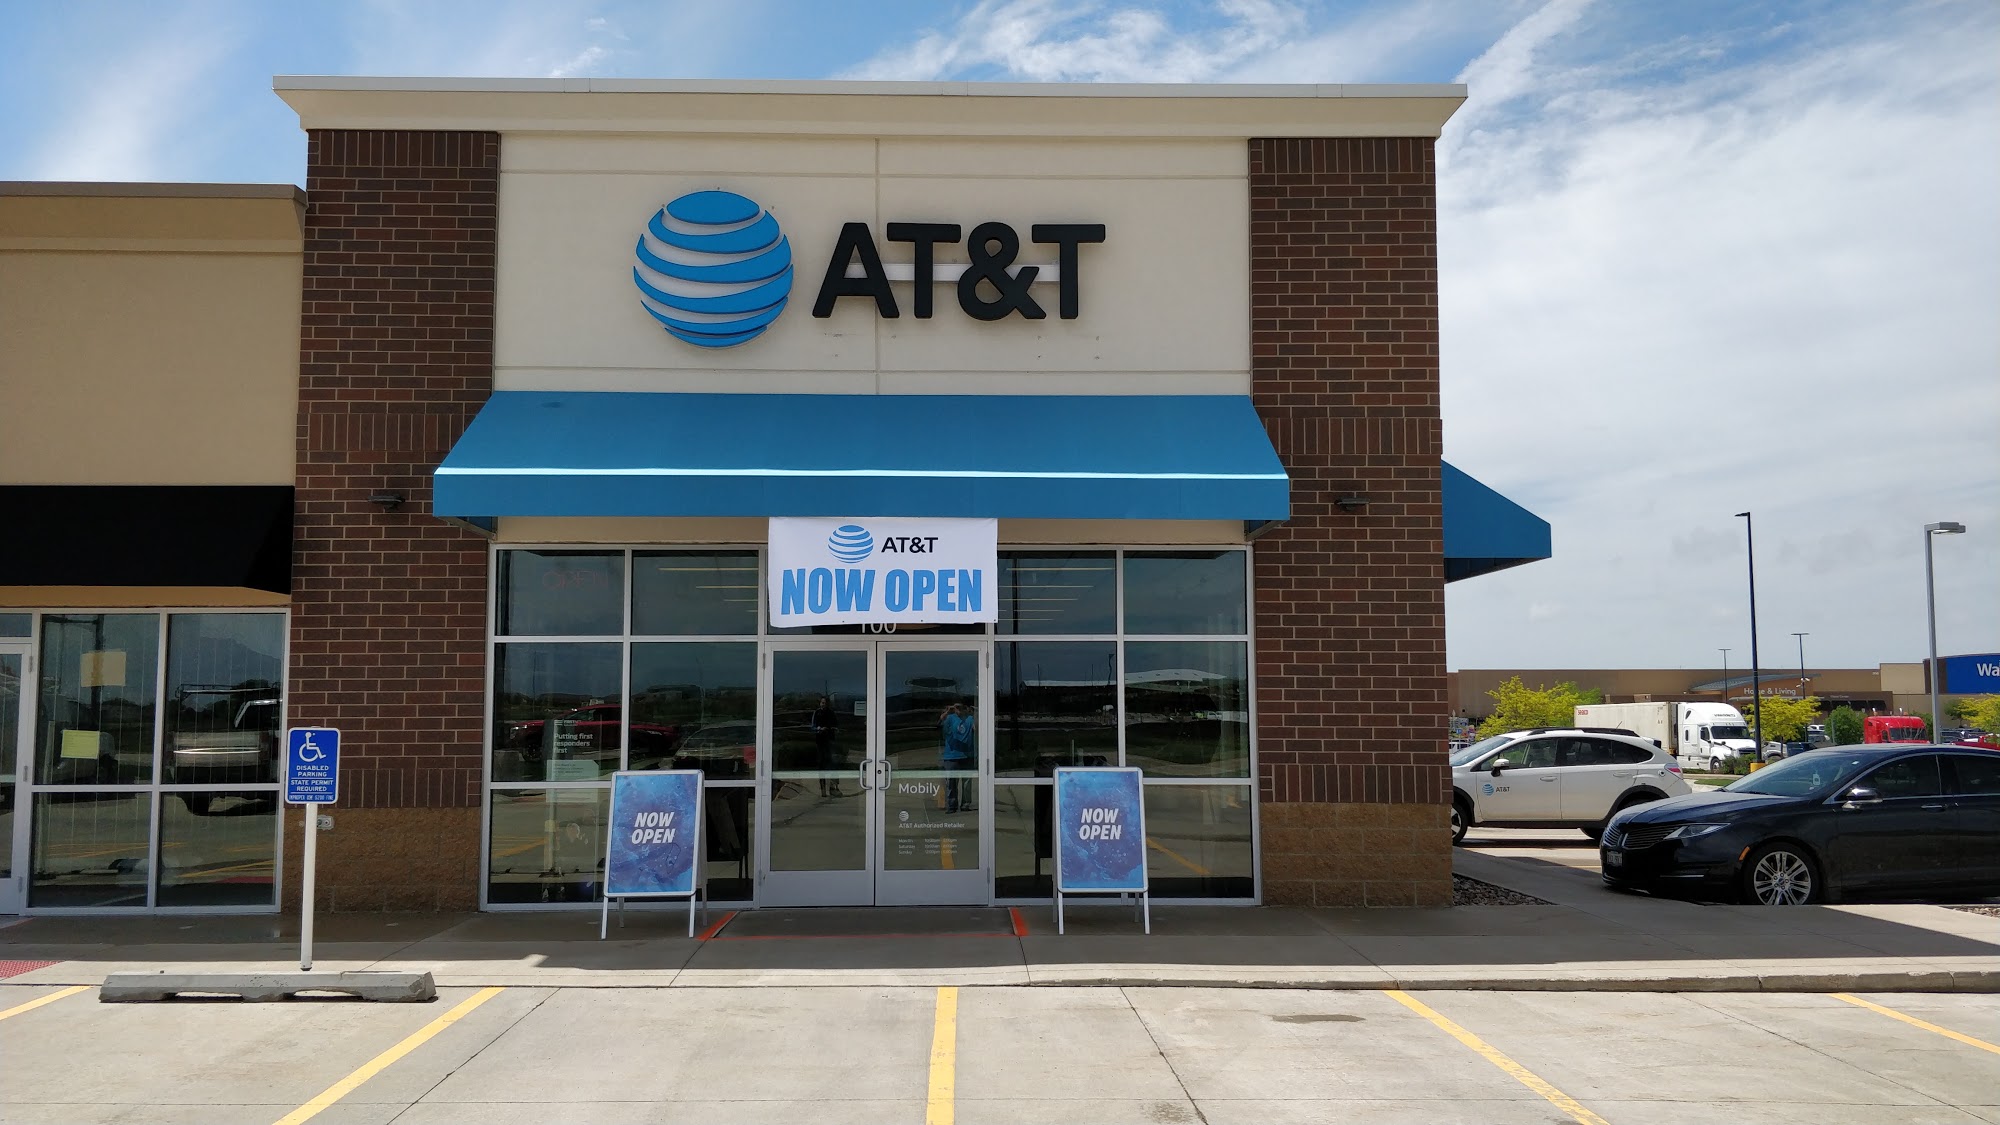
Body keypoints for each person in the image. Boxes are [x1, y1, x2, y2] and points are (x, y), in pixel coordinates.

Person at [939, 700, 975, 813]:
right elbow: (940, 726)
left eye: (961, 707)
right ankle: (952, 805)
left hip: (967, 755)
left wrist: (974, 713)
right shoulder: (950, 718)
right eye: (956, 707)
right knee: (951, 782)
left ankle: (965, 805)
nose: (958, 710)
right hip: (951, 756)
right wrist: (947, 712)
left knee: (967, 783)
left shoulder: (970, 719)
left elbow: (978, 728)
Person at [811, 695, 841, 797]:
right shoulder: (817, 713)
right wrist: (819, 728)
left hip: (830, 740)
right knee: (821, 764)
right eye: (822, 703)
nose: (823, 705)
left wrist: (832, 728)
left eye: (825, 703)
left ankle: (834, 787)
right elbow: (812, 726)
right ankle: (823, 788)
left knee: (833, 763)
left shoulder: (831, 713)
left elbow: (836, 725)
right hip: (820, 741)